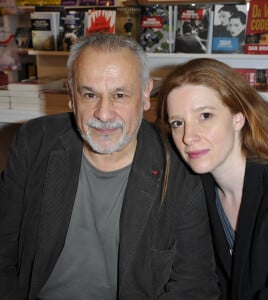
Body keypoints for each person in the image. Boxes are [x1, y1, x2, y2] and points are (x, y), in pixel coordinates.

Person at [0, 33, 219, 300]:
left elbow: (195, 285)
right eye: (89, 94)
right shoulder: (34, 142)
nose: (104, 114)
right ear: (71, 95)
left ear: (146, 94)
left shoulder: (180, 167)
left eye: (119, 95)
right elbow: (4, 252)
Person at [156, 57, 268, 299]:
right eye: (178, 123)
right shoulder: (197, 189)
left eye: (205, 116)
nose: (188, 137)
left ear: (238, 119)